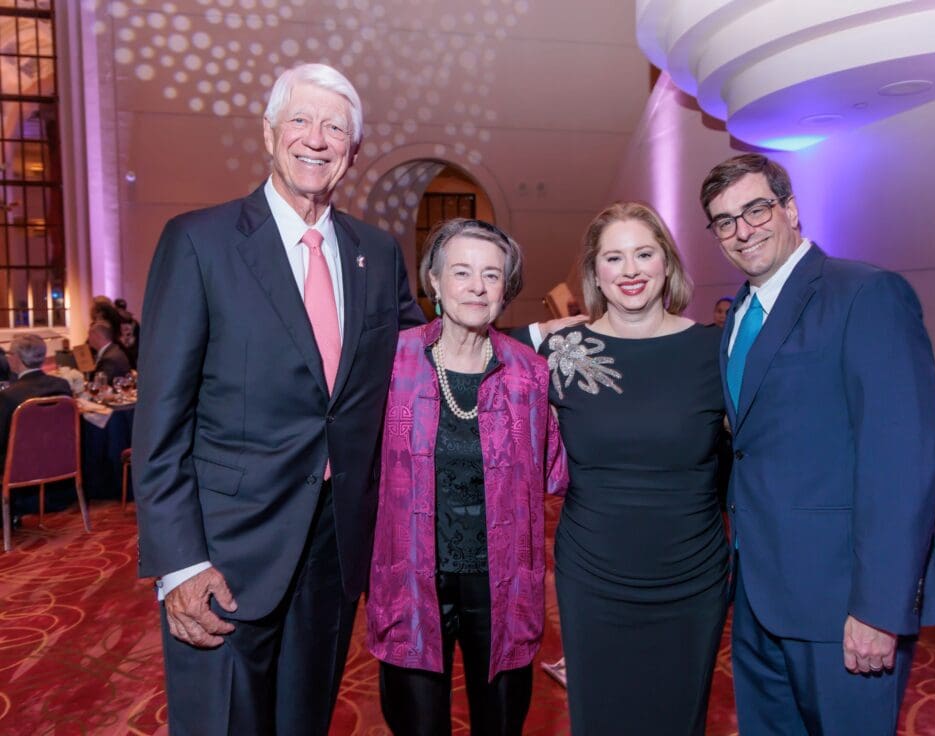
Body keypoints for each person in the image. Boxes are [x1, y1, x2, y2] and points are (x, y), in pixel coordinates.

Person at [132, 63, 423, 735]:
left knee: (305, 721)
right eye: (300, 120)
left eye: (335, 128)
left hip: (333, 546)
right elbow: (160, 423)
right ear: (269, 134)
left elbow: (421, 353)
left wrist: (528, 344)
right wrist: (179, 562)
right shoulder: (199, 242)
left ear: (352, 152)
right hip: (224, 552)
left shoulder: (375, 254)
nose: (316, 139)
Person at [701, 153, 935, 735]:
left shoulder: (865, 294)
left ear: (790, 209)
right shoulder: (741, 313)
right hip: (758, 595)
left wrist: (879, 607)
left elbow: (904, 463)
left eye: (756, 209)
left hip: (841, 601)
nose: (742, 230)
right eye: (724, 221)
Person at [366, 219, 568, 735]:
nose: (477, 287)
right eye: (461, 272)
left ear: (506, 288)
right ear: (434, 280)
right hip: (411, 581)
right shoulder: (391, 360)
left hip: (501, 587)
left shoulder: (530, 372)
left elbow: (563, 467)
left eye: (491, 275)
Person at [540, 201, 728, 735]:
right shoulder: (563, 351)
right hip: (592, 574)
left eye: (643, 254)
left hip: (691, 575)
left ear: (666, 263)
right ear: (594, 272)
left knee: (677, 719)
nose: (629, 271)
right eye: (613, 258)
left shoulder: (714, 350)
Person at [0, 334, 72, 468]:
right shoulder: (62, 385)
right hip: (60, 461)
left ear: (16, 358)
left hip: (21, 467)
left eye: (10, 354)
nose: (8, 358)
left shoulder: (9, 396)